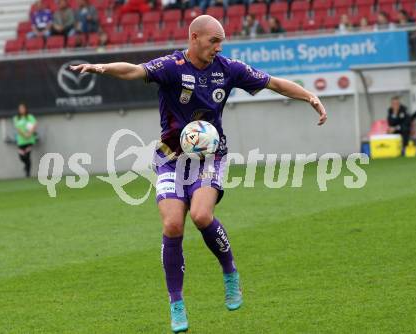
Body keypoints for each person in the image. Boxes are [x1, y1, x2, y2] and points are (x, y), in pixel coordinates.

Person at [70, 15, 327, 333]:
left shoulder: (228, 69)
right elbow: (136, 71)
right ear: (194, 38)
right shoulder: (171, 66)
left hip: (210, 157)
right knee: (173, 223)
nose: (218, 48)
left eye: (221, 42)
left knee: (202, 216)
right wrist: (102, 68)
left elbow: (273, 82)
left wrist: (310, 97)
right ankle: (176, 303)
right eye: (213, 41)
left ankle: (230, 272)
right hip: (169, 158)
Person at [13, 103, 38, 178]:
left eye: (23, 108)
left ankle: (28, 173)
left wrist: (29, 133)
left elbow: (35, 124)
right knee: (22, 157)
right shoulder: (16, 118)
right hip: (21, 140)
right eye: (20, 109)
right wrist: (24, 135)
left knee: (27, 155)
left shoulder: (30, 117)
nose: (22, 110)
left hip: (29, 140)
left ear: (26, 109)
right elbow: (17, 128)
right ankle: (26, 167)